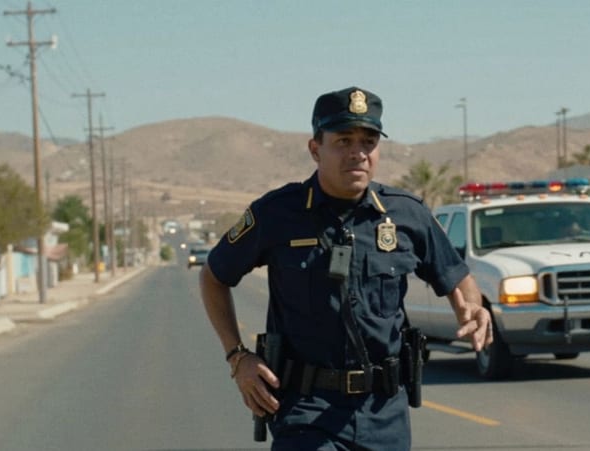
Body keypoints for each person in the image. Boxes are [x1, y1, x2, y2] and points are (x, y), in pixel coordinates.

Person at [199, 86, 492, 450]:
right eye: (343, 141)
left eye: (369, 142)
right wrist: (237, 356)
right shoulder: (276, 214)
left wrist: (472, 307)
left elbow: (459, 279)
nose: (358, 153)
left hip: (384, 413)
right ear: (315, 149)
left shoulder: (406, 214)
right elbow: (213, 276)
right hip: (305, 410)